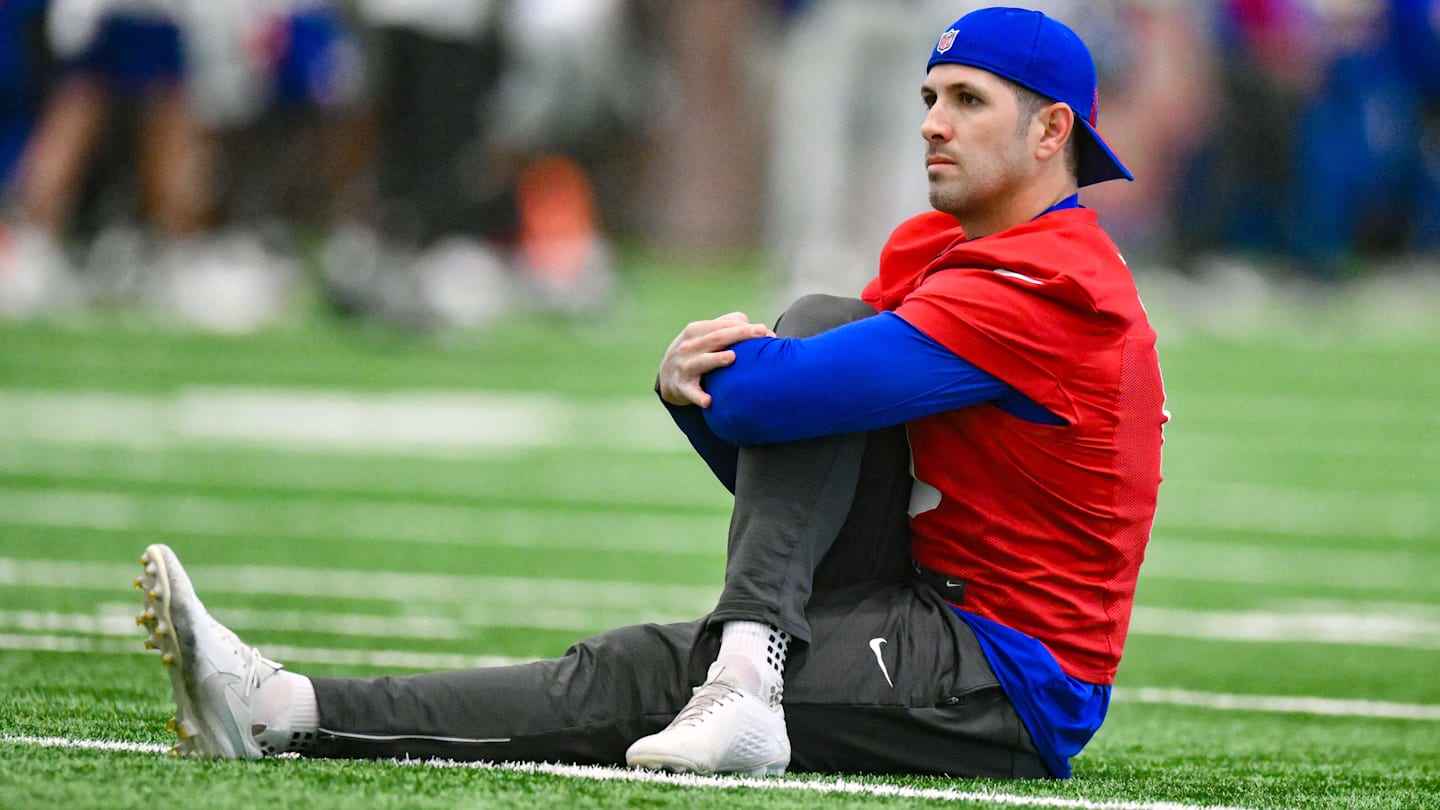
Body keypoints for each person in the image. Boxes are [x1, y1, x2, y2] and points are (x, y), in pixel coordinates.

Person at [132, 7, 1165, 779]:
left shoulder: (1052, 278)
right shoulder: (946, 247)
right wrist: (703, 397)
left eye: (968, 100)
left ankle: (284, 709)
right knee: (819, 323)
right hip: (923, 599)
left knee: (638, 669)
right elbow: (794, 462)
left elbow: (770, 409)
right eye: (930, 98)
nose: (933, 123)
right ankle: (744, 677)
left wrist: (711, 380)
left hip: (1003, 679)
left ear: (1050, 132)